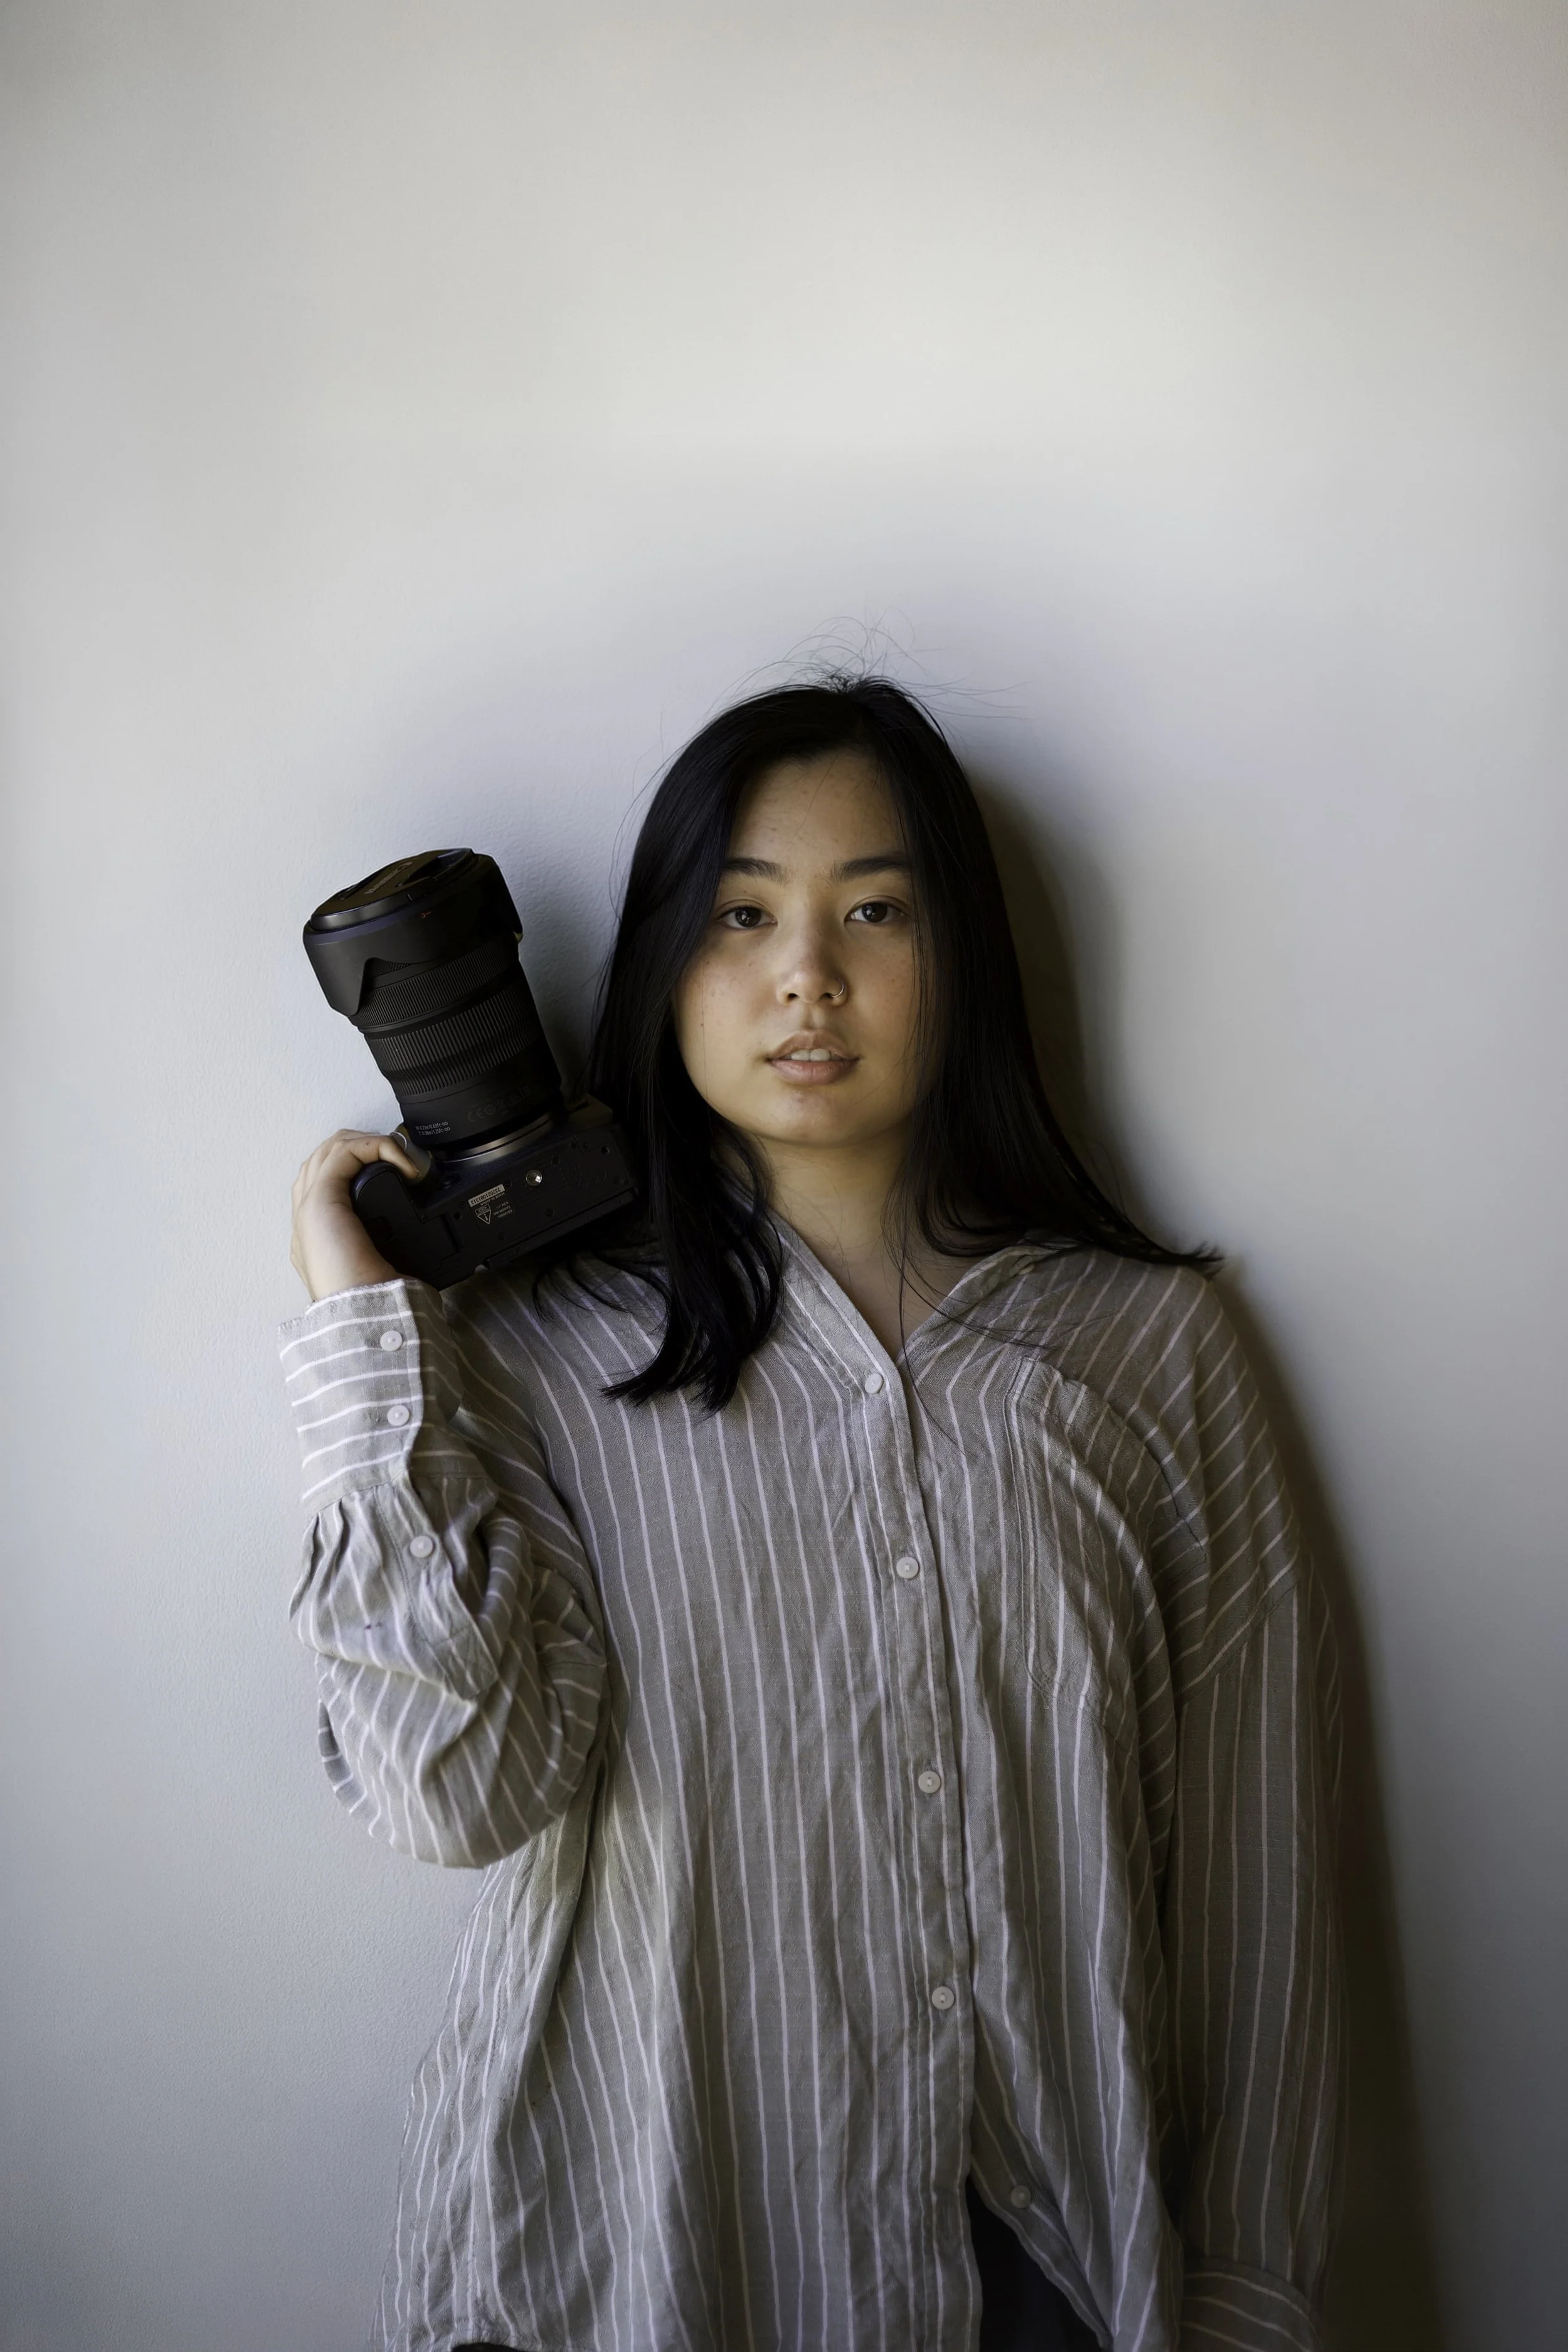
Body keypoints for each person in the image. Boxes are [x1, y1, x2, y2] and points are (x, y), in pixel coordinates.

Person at [282, 677, 1342, 2352]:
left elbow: (1252, 1894)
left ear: (963, 958)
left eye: (873, 909)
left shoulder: (1152, 1353)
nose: (807, 974)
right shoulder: (538, 1351)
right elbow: (451, 1794)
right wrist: (364, 1340)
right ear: (663, 964)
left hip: (1049, 2271)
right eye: (741, 914)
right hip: (628, 2263)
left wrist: (1247, 2299)